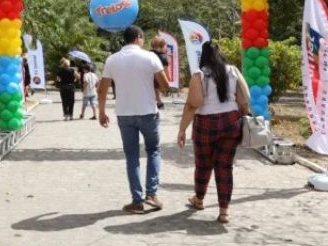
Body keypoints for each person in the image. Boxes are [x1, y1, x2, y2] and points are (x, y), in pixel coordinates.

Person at [176, 41, 251, 224]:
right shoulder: (232, 70)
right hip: (230, 122)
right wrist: (241, 114)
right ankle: (224, 211)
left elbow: (193, 104)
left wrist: (182, 129)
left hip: (205, 124)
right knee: (225, 167)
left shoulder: (199, 75)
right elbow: (245, 98)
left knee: (203, 164)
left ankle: (199, 199)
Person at [98, 25, 169, 214]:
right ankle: (151, 194)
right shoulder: (150, 57)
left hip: (124, 114)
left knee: (132, 157)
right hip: (148, 112)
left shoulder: (112, 59)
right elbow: (165, 84)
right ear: (138, 38)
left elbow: (102, 89)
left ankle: (136, 201)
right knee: (153, 150)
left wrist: (102, 112)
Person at [149, 36, 170, 109]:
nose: (166, 48)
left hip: (147, 77)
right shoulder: (163, 57)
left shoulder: (148, 54)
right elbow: (165, 72)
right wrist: (168, 80)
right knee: (157, 88)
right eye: (165, 46)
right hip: (158, 78)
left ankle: (158, 101)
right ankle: (159, 102)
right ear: (160, 46)